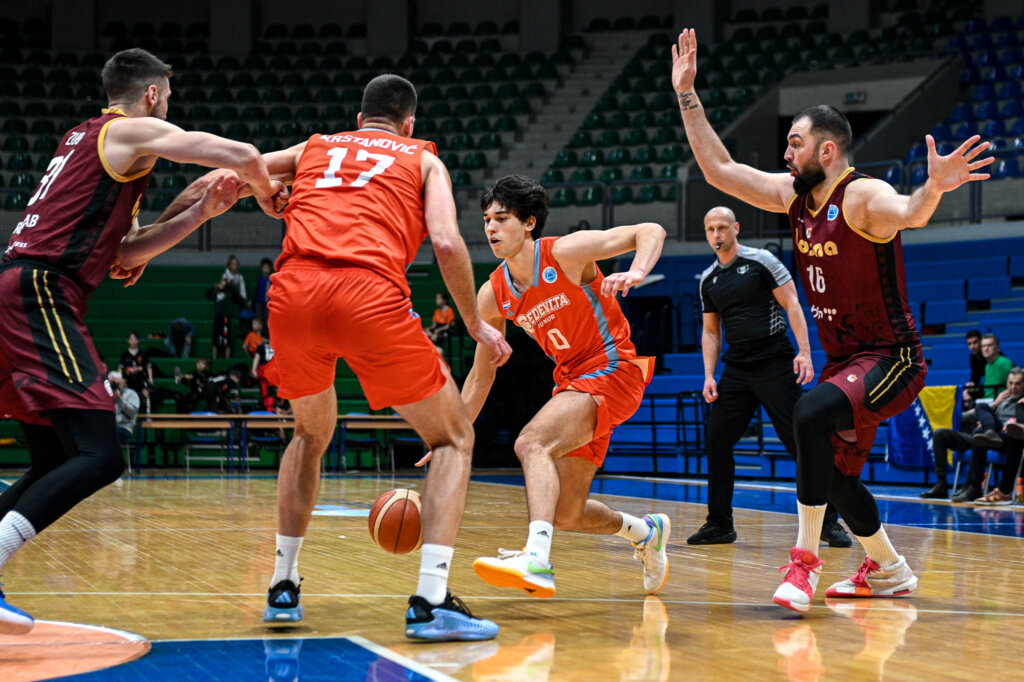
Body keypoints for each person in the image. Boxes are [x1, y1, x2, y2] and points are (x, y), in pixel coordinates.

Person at [670, 28, 993, 613]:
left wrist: (933, 188)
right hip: (847, 361)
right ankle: (889, 568)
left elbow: (909, 213)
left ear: (826, 151)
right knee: (833, 476)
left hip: (893, 358)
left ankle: (803, 565)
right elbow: (719, 169)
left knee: (809, 414)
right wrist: (686, 93)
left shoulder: (863, 196)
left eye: (794, 144)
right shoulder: (793, 198)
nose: (785, 154)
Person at [0, 47, 284, 634]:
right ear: (152, 94)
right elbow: (244, 155)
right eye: (168, 98)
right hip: (40, 291)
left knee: (56, 458)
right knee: (100, 456)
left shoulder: (83, 142)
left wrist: (202, 213)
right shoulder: (126, 132)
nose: (169, 108)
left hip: (24, 288)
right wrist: (265, 194)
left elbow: (125, 256)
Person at [253, 74, 511, 640]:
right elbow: (447, 242)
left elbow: (230, 174)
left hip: (292, 294)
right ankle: (432, 600)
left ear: (360, 116)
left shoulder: (315, 147)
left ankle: (282, 586)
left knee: (308, 434)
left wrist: (255, 193)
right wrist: (474, 323)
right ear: (409, 122)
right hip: (367, 295)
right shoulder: (423, 159)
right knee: (453, 438)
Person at [434, 174, 671, 599]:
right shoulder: (493, 294)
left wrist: (636, 271)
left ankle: (537, 559)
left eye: (502, 218)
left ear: (528, 223)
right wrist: (452, 434)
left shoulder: (564, 252)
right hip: (574, 384)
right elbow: (481, 375)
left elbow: (649, 229)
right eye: (487, 220)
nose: (491, 228)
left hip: (614, 366)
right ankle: (645, 532)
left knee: (531, 443)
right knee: (566, 512)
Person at [688, 206, 850, 548]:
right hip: (737, 368)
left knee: (800, 441)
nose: (716, 234)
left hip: (774, 362)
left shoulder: (761, 262)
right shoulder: (708, 279)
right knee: (717, 438)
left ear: (736, 228)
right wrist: (709, 375)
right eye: (710, 229)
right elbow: (711, 331)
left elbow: (792, 305)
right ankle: (720, 524)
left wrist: (804, 352)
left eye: (722, 227)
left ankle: (828, 522)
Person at [924, 368, 1024, 502]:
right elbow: (970, 416)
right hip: (992, 434)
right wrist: (994, 405)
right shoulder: (1003, 400)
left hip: (1008, 436)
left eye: (1018, 384)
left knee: (979, 434)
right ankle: (942, 483)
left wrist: (1014, 422)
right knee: (979, 410)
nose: (1013, 387)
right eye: (1011, 383)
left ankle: (974, 486)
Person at [206, 271, 246, 359]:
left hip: (226, 317)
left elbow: (236, 293)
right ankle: (214, 357)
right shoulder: (215, 291)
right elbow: (207, 294)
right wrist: (214, 287)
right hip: (218, 317)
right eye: (222, 281)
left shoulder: (229, 291)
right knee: (215, 337)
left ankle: (227, 357)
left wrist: (228, 284)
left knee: (226, 336)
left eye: (225, 281)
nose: (223, 283)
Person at [119, 330, 153, 413]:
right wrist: (121, 379)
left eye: (135, 339)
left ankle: (148, 414)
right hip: (129, 380)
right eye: (131, 339)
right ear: (128, 341)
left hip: (140, 379)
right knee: (123, 395)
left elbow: (148, 366)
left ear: (138, 341)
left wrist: (150, 378)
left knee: (146, 394)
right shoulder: (125, 354)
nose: (133, 341)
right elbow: (120, 368)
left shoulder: (142, 353)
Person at [108, 371, 140, 443]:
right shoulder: (105, 395)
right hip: (108, 426)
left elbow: (132, 413)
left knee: (107, 432)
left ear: (123, 382)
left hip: (124, 427)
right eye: (112, 383)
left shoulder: (131, 394)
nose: (116, 386)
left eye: (117, 383)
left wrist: (119, 399)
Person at [978, 333, 1012, 400]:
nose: (986, 349)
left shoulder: (1004, 363)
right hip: (987, 401)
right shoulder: (987, 366)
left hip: (1001, 402)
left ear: (998, 348)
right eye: (983, 346)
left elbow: (1015, 386)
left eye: (989, 345)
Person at [961, 329, 984, 406]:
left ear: (981, 341)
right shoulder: (973, 357)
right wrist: (971, 383)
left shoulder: (989, 355)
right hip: (985, 387)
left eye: (975, 342)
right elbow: (975, 378)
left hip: (994, 387)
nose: (972, 347)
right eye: (969, 344)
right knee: (965, 393)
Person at [253, 257, 273, 324]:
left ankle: (266, 331)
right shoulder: (259, 279)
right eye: (264, 267)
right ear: (261, 268)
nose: (266, 270)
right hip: (259, 302)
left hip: (268, 303)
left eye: (267, 268)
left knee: (267, 319)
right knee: (259, 319)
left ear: (270, 269)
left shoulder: (271, 280)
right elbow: (256, 291)